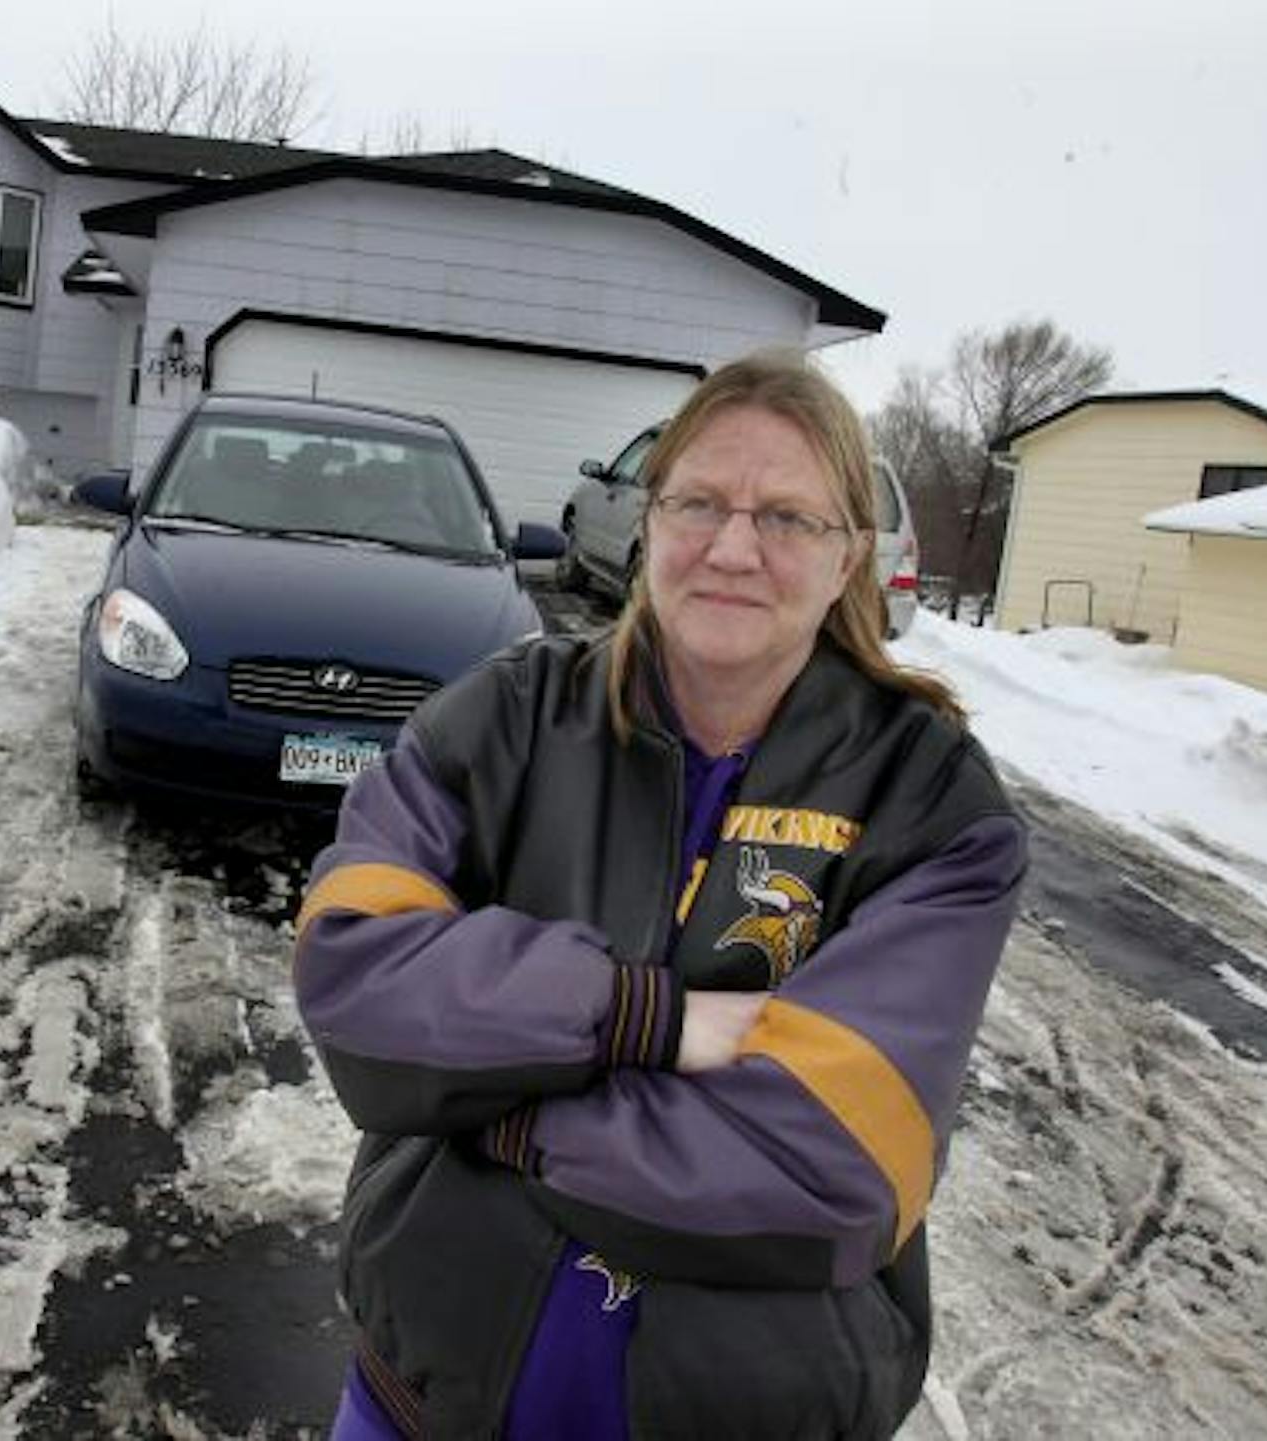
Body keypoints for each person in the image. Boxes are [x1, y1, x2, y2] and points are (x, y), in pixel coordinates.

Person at [292, 351, 1028, 1439]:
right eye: (701, 503)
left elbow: (835, 1158)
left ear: (848, 560)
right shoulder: (510, 719)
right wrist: (653, 1019)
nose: (734, 549)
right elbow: (353, 970)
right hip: (420, 1404)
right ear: (649, 521)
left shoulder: (929, 801)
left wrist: (502, 1113)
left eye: (787, 517)